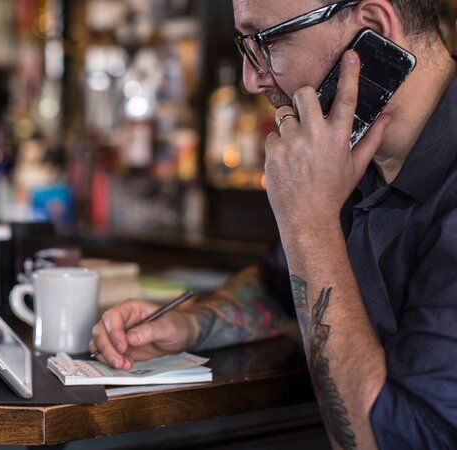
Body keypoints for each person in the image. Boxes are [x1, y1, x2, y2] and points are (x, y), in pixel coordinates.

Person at [89, 1, 457, 449]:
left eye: (269, 41)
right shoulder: (341, 154)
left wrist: (310, 223)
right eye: (246, 45)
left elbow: (393, 441)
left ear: (373, 30)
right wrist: (188, 326)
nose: (251, 78)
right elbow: (280, 289)